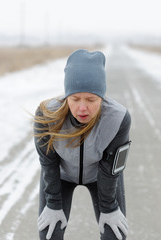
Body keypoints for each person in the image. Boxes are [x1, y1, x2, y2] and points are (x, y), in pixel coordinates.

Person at [33, 49, 131, 240]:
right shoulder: (46, 115)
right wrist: (53, 203)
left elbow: (110, 168)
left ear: (102, 97)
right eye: (75, 99)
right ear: (66, 96)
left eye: (91, 99)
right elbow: (48, 163)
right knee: (49, 235)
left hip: (101, 177)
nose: (82, 107)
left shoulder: (118, 118)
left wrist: (109, 207)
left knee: (115, 235)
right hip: (61, 176)